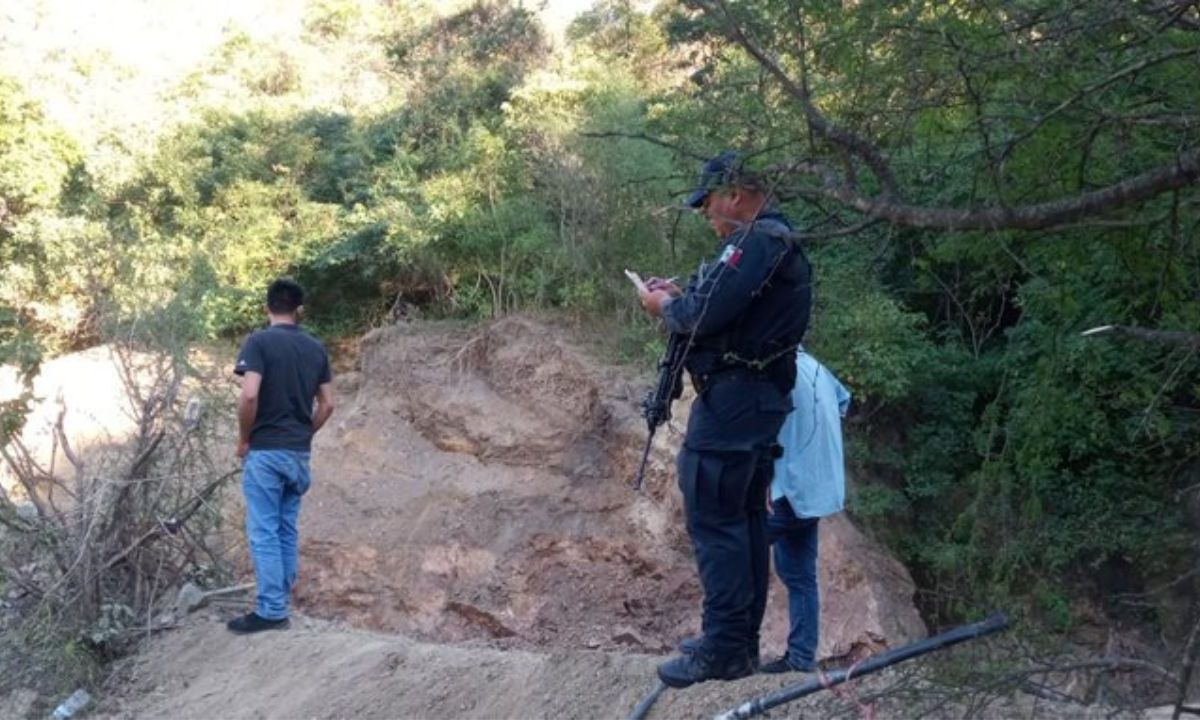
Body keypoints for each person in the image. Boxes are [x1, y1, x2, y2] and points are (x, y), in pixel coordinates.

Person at [638, 151, 812, 688]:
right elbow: (724, 312)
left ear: (735, 195)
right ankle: (734, 644)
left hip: (736, 404)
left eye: (710, 204)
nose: (708, 217)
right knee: (745, 522)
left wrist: (662, 306)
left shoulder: (756, 242)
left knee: (717, 519)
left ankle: (724, 649)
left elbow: (701, 317)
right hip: (751, 400)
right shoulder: (774, 244)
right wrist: (683, 297)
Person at [228, 278, 335, 635]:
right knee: (286, 528)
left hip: (267, 453)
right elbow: (328, 403)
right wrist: (305, 433)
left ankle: (272, 610)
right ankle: (282, 602)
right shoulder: (316, 348)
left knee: (264, 531)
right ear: (299, 310)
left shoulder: (258, 342)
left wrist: (245, 438)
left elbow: (249, 396)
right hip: (298, 455)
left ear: (267, 307)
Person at [759, 351, 851, 674]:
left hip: (788, 488)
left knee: (740, 557)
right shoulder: (817, 367)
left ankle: (734, 649)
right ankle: (800, 657)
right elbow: (844, 402)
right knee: (800, 575)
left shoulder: (774, 369)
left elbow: (761, 431)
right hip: (818, 490)